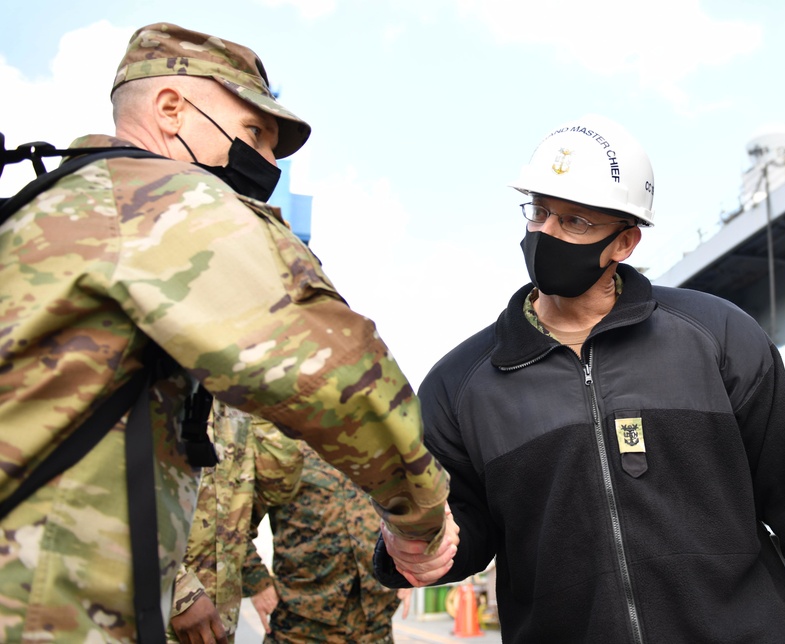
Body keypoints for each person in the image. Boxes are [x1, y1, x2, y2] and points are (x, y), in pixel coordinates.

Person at [0, 23, 452, 642]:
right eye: (253, 136)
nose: (265, 165)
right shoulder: (161, 202)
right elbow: (344, 374)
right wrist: (421, 517)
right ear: (170, 109)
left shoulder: (52, 203)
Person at [373, 114, 785, 642]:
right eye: (540, 212)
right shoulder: (461, 383)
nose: (547, 233)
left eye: (577, 222)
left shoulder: (717, 337)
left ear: (624, 243)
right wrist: (416, 544)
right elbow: (462, 526)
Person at [242, 442, 410, 644]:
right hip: (301, 625)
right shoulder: (285, 448)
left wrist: (408, 567)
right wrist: (258, 585)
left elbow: (407, 508)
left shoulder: (377, 445)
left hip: (374, 622)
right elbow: (236, 526)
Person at [168, 405, 304, 643]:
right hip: (149, 613)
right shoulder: (161, 380)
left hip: (216, 624)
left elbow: (278, 486)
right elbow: (108, 496)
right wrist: (179, 591)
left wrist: (259, 396)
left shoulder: (236, 405)